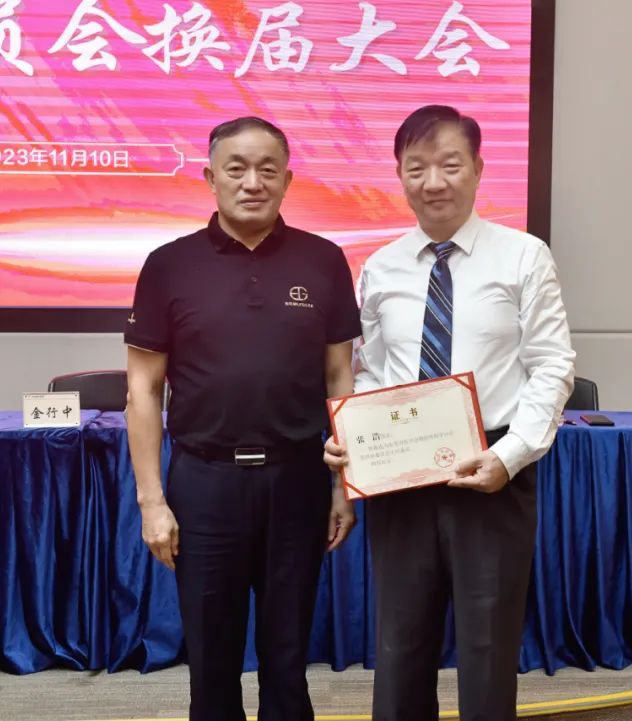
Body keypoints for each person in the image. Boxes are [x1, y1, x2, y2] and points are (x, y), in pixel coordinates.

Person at [325, 105, 576, 721]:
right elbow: (370, 370)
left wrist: (509, 457)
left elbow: (551, 366)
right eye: (416, 168)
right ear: (400, 176)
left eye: (449, 165)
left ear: (478, 169)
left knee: (488, 642)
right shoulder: (380, 265)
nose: (433, 182)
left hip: (491, 466)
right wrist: (351, 431)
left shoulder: (523, 256)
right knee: (400, 639)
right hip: (399, 472)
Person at [124, 116, 361, 721]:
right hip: (204, 484)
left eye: (267, 170)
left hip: (298, 479)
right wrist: (152, 501)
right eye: (236, 169)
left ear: (287, 180)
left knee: (289, 655)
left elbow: (340, 376)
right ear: (210, 178)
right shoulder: (168, 264)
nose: (252, 182)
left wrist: (344, 484)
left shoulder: (324, 260)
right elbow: (143, 390)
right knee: (211, 658)